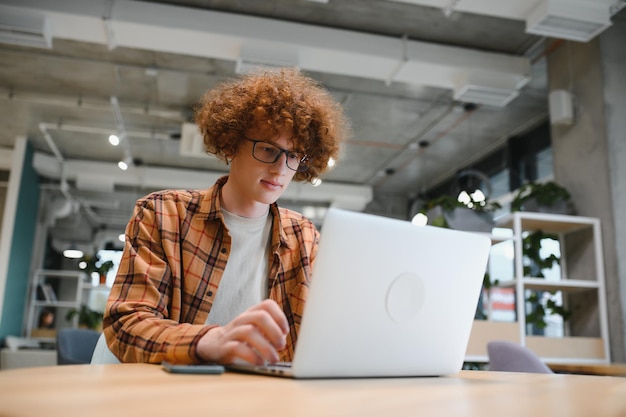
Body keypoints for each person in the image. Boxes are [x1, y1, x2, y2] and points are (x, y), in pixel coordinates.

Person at [103, 67, 350, 365]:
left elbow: (322, 333)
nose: (280, 169)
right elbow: (125, 323)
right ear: (232, 144)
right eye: (268, 150)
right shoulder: (163, 214)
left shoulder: (305, 237)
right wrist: (210, 340)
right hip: (177, 393)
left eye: (293, 156)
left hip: (269, 398)